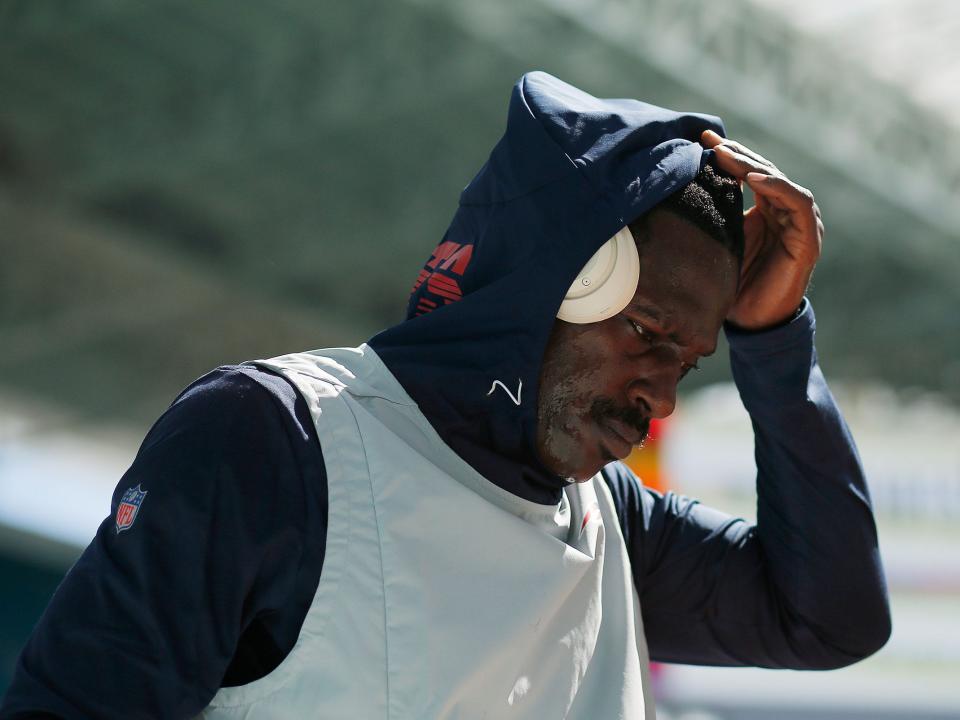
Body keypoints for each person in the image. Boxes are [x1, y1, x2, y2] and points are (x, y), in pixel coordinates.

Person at [0, 71, 890, 719]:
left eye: (688, 364)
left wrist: (774, 343)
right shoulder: (273, 441)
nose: (658, 399)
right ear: (545, 286)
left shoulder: (609, 519)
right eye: (649, 338)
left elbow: (831, 620)